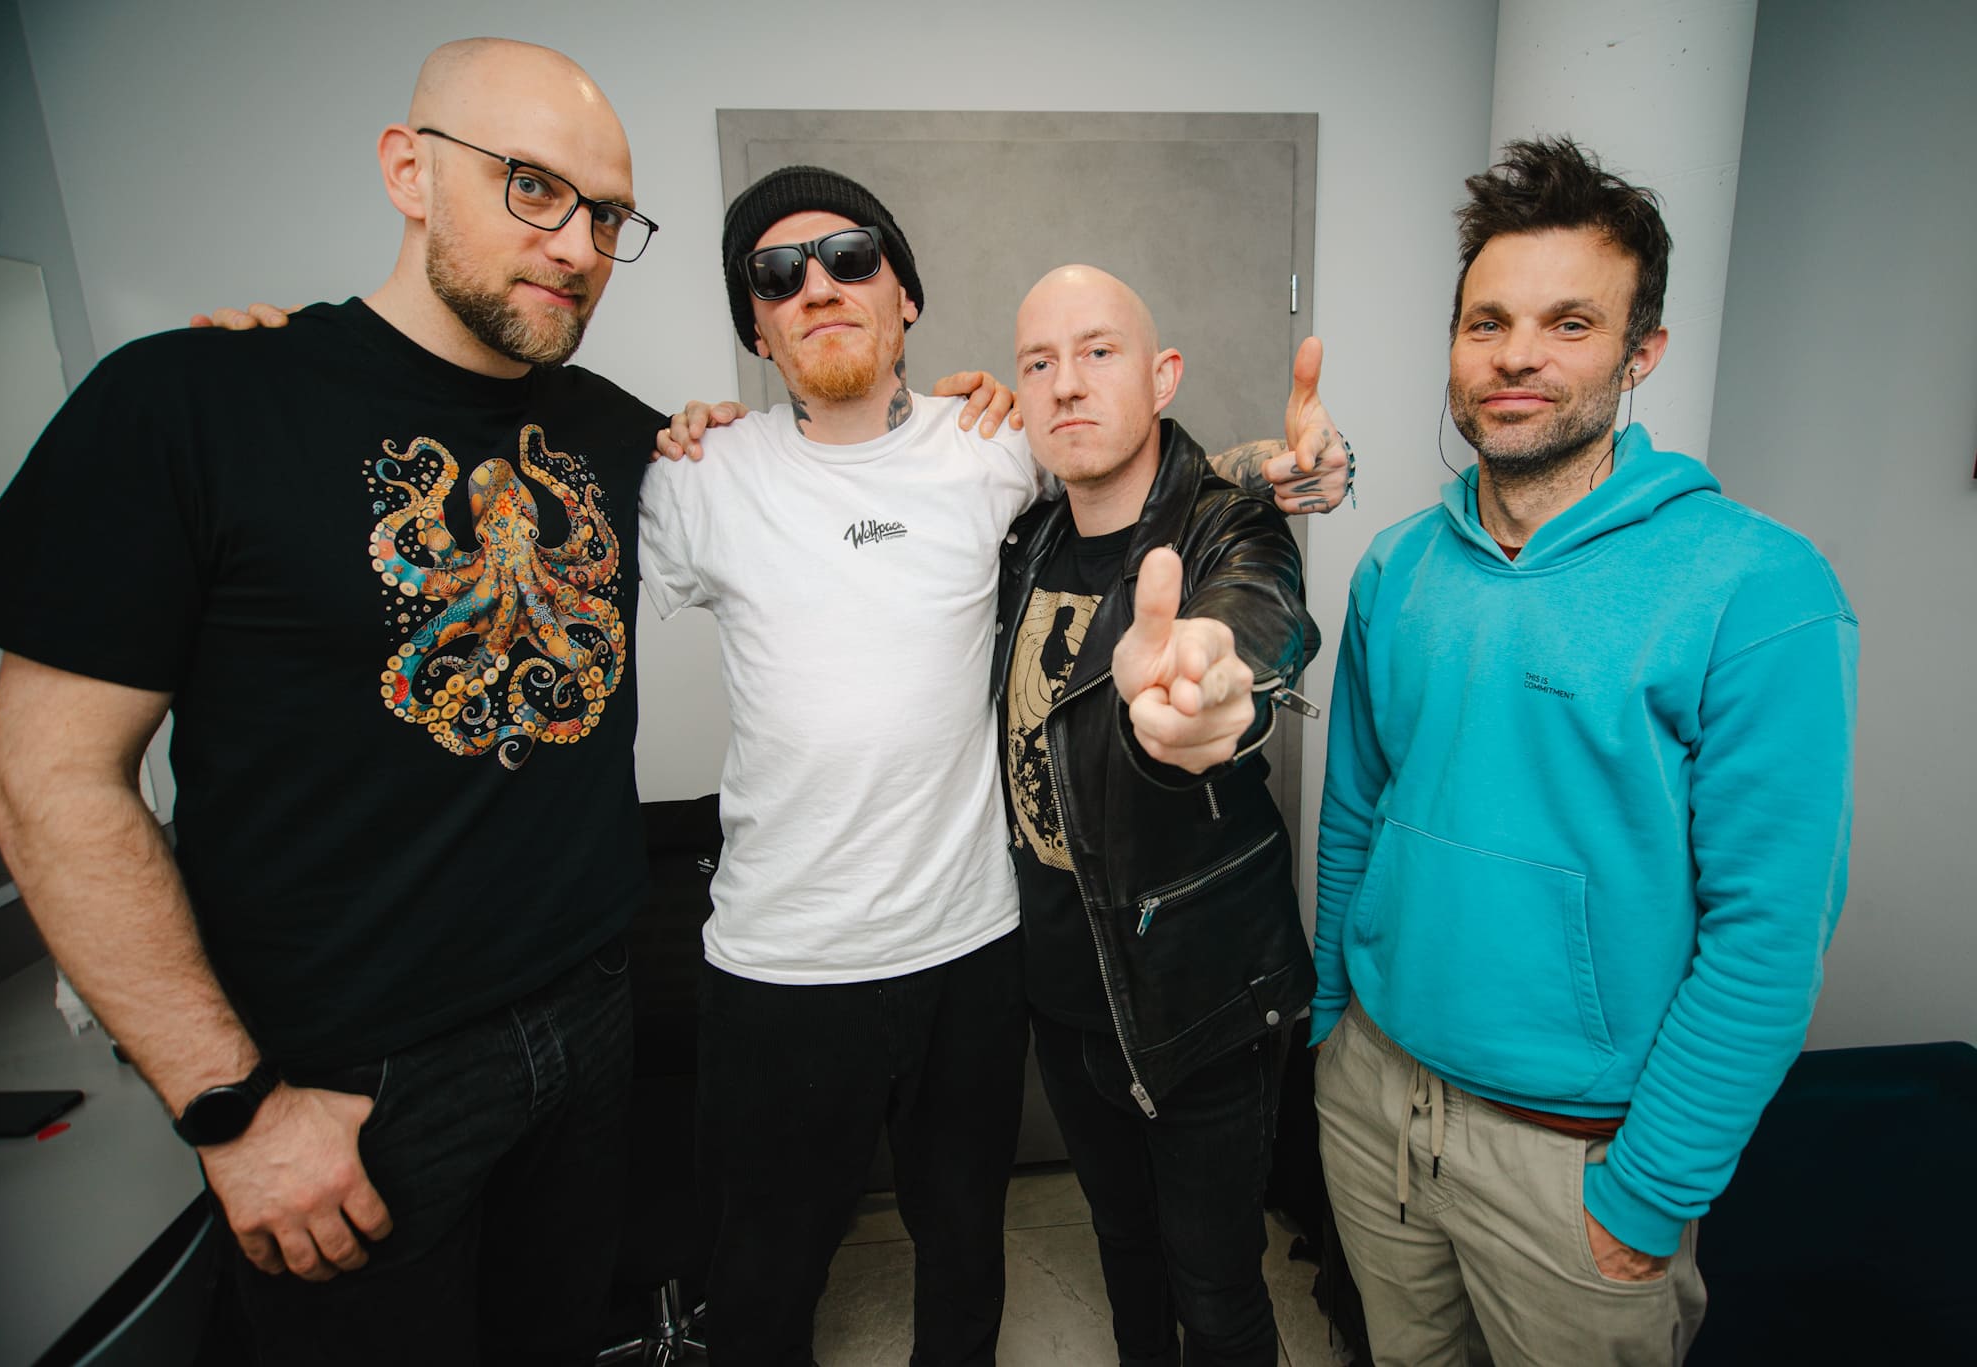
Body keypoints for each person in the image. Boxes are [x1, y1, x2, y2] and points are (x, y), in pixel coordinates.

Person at [0, 38, 667, 1364]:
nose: (576, 245)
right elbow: (48, 784)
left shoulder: (620, 432)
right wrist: (234, 1109)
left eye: (607, 215)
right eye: (531, 186)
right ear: (407, 171)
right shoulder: (186, 401)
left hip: (594, 1008)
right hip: (351, 1084)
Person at [641, 167, 1350, 1365]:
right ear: (753, 325)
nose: (817, 286)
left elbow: (1170, 498)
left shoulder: (989, 450)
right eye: (775, 273)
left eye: (850, 256)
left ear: (904, 296)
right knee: (761, 1276)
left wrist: (1282, 478)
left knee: (970, 1254)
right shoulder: (696, 477)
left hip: (971, 951)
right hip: (781, 960)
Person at [1308, 137, 1858, 1366]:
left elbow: (1768, 930)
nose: (1515, 355)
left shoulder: (1757, 586)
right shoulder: (1396, 566)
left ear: (1638, 351)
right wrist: (1331, 1026)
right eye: (1486, 322)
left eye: (1568, 323)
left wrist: (1647, 1192)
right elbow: (1353, 812)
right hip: (1374, 1100)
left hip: (1574, 1163)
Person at [995, 264, 1321, 1365]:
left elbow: (1255, 612)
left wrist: (1208, 675)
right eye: (1039, 362)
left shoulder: (1229, 524)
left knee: (1215, 1287)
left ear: (1162, 375)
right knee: (1122, 1246)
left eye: (1098, 351)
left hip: (1200, 995)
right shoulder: (1022, 539)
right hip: (1061, 991)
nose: (1066, 383)